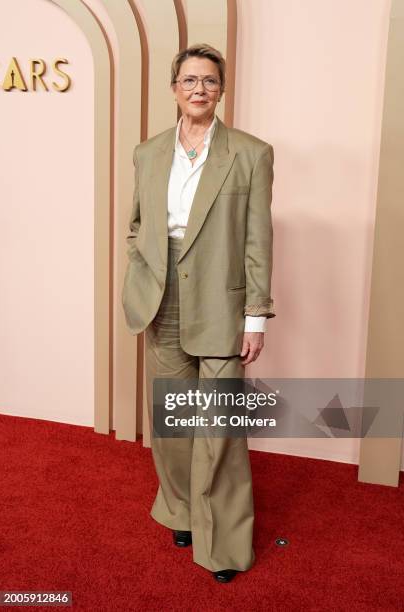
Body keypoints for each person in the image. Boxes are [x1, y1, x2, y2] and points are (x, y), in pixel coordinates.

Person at [122, 43, 275, 583]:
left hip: (220, 302)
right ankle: (183, 510)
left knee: (220, 429)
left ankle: (225, 544)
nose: (199, 89)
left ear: (221, 89)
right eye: (189, 80)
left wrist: (255, 316)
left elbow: (258, 240)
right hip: (160, 298)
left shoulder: (251, 153)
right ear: (174, 88)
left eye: (209, 81)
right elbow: (138, 224)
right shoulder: (149, 151)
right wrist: (140, 267)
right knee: (173, 423)